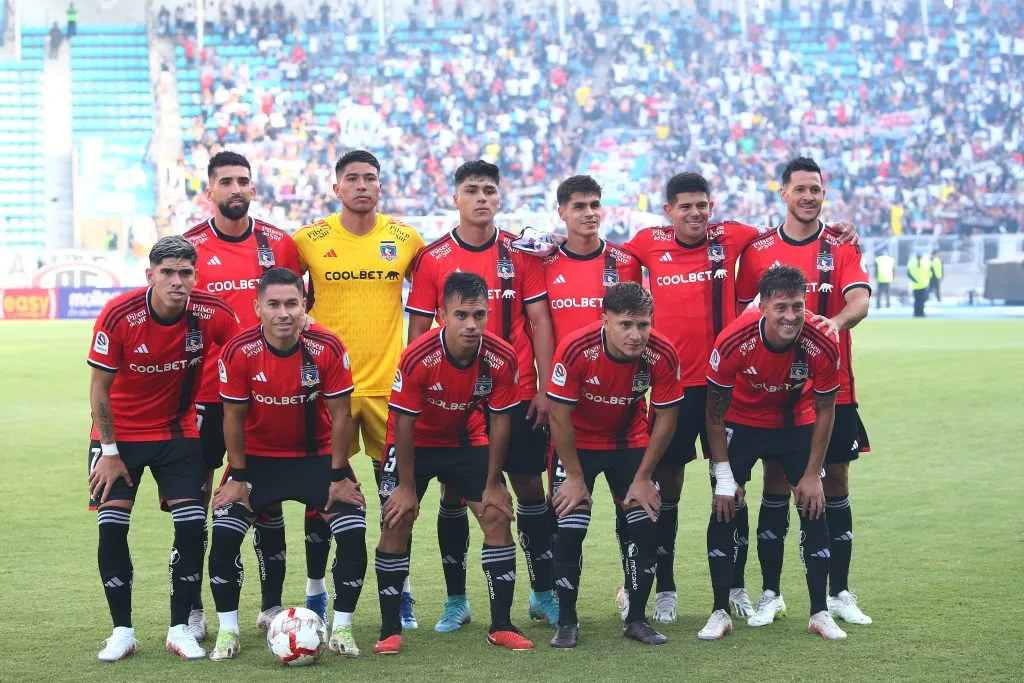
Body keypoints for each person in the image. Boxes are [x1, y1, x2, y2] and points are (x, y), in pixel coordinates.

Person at [405, 160, 558, 630]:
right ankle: (457, 601)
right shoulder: (432, 258)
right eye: (472, 190)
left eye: (490, 190)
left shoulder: (522, 252)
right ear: (455, 198)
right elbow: (417, 334)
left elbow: (538, 322)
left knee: (530, 488)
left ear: (499, 197)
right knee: (455, 495)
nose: (482, 198)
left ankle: (543, 592)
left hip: (519, 394)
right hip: (457, 402)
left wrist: (548, 388)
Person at [86, 235, 239, 662]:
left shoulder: (213, 313)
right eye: (167, 273)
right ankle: (122, 631)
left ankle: (179, 628)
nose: (177, 281)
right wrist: (110, 450)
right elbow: (99, 388)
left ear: (195, 276)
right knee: (112, 526)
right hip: (118, 436)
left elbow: (246, 356)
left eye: (185, 273)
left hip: (177, 432)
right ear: (150, 275)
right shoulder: (120, 315)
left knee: (191, 525)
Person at [736, 157, 872, 628]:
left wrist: (832, 325)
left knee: (834, 482)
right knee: (777, 482)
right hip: (775, 391)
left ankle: (839, 593)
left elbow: (860, 299)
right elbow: (741, 314)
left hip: (835, 386)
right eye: (800, 189)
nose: (809, 196)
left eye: (816, 188)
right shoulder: (757, 250)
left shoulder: (839, 245)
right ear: (783, 193)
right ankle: (771, 593)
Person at [293, 150, 425, 628]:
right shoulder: (309, 240)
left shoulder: (405, 239)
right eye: (352, 179)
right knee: (320, 494)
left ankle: (401, 593)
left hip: (390, 391)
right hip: (329, 391)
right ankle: (315, 592)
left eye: (371, 178)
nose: (362, 185)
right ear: (337, 188)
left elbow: (431, 296)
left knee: (396, 496)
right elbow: (278, 298)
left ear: (381, 186)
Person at [206, 267, 367, 660]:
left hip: (318, 458)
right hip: (258, 462)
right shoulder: (239, 350)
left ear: (304, 306)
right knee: (225, 537)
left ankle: (342, 628)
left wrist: (338, 475)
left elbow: (343, 415)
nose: (283, 313)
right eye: (274, 304)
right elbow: (233, 419)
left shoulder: (327, 346)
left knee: (353, 532)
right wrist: (238, 477)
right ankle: (228, 632)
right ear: (257, 306)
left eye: (292, 304)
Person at [374, 272, 533, 654]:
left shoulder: (500, 356)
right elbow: (404, 425)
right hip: (414, 443)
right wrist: (408, 488)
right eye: (461, 315)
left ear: (489, 312)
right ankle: (389, 629)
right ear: (442, 314)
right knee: (397, 519)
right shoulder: (417, 356)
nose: (471, 324)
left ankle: (501, 625)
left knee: (496, 514)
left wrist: (494, 483)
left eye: (479, 314)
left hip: (465, 440)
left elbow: (500, 421)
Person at [182, 150, 301, 639]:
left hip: (269, 393)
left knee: (266, 496)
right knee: (197, 499)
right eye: (226, 181)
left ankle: (270, 607)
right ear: (209, 191)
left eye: (243, 181)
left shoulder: (279, 244)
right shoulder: (187, 248)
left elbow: (297, 307)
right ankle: (190, 607)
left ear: (253, 188)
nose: (235, 188)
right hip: (205, 396)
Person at [704, 265, 847, 641]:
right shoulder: (734, 339)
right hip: (741, 422)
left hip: (794, 424)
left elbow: (826, 410)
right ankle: (720, 611)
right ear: (763, 305)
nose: (791, 316)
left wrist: (814, 475)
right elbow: (714, 411)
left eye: (797, 306)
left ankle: (819, 612)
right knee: (723, 507)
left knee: (814, 509)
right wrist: (722, 475)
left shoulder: (822, 341)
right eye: (781, 307)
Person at [546, 282, 684, 648]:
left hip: (629, 441)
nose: (636, 335)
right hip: (577, 443)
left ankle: (636, 619)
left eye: (643, 324)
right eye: (625, 324)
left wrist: (643, 477)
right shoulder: (576, 348)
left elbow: (667, 417)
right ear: (605, 320)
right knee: (570, 526)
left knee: (644, 524)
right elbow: (558, 416)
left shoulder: (663, 353)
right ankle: (567, 621)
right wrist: (574, 477)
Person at [540, 175, 642, 345]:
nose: (590, 213)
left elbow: (638, 324)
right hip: (564, 369)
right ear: (561, 213)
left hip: (614, 370)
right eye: (579, 207)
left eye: (594, 205)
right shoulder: (544, 264)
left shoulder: (626, 262)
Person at [907, 252, 929, 317]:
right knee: (922, 300)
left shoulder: (911, 263)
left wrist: (914, 280)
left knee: (916, 300)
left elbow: (908, 274)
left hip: (915, 285)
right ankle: (921, 313)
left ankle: (916, 313)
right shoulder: (925, 263)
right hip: (923, 284)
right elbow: (929, 272)